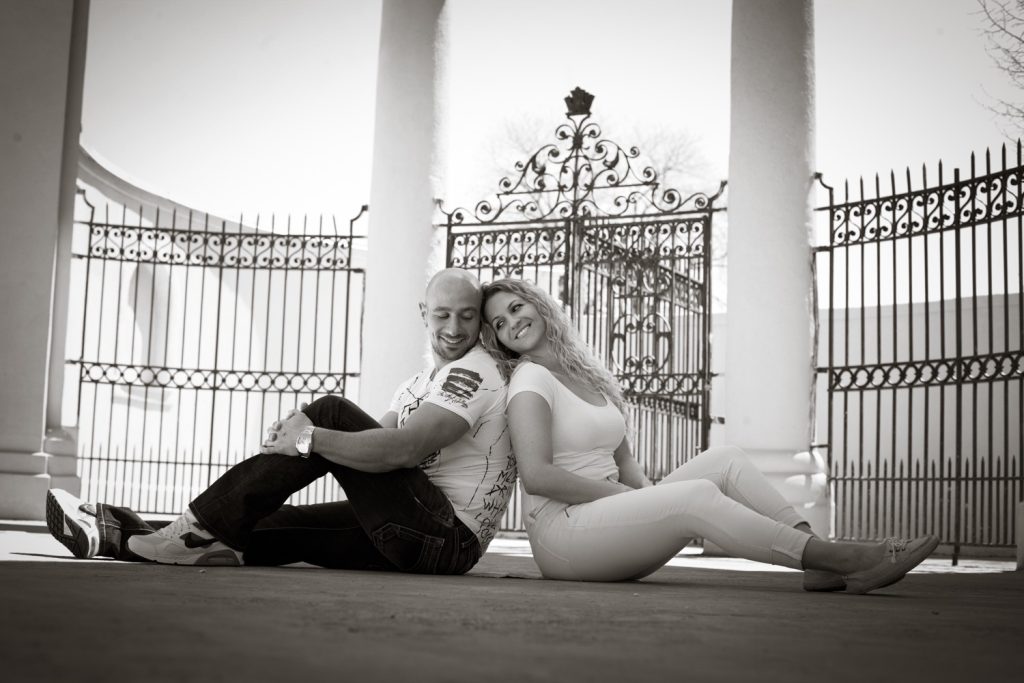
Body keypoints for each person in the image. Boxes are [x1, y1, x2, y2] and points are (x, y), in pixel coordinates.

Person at [480, 277, 938, 594]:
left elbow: (626, 464)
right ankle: (844, 559)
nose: (512, 322)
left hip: (606, 520)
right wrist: (623, 497)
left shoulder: (586, 374)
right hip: (564, 538)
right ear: (499, 340)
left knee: (726, 459)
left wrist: (646, 501)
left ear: (538, 304)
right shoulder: (530, 380)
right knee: (695, 494)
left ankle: (819, 561)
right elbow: (538, 476)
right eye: (499, 323)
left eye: (516, 307)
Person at [46, 268, 516, 575]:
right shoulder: (415, 385)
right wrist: (302, 441)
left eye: (466, 316)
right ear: (424, 313)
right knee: (262, 528)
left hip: (445, 537)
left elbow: (404, 451)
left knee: (331, 411)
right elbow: (371, 457)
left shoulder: (476, 370)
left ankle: (192, 529)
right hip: (411, 531)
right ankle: (114, 532)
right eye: (442, 314)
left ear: (480, 321)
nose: (454, 328)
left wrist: (307, 436)